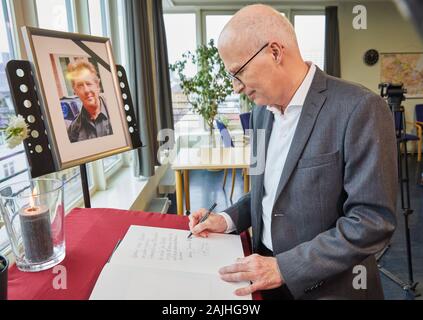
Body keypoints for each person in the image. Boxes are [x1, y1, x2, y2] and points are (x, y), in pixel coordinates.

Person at [189, 4, 397, 300]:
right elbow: (265, 192)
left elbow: (372, 221)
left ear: (274, 52)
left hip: (331, 289)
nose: (236, 88)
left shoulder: (359, 108)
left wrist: (285, 267)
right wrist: (227, 219)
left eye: (238, 72)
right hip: (263, 280)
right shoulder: (260, 113)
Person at [66, 60, 113, 143]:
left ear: (97, 85)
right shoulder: (73, 131)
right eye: (80, 85)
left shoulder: (116, 113)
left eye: (89, 83)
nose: (86, 90)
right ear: (75, 91)